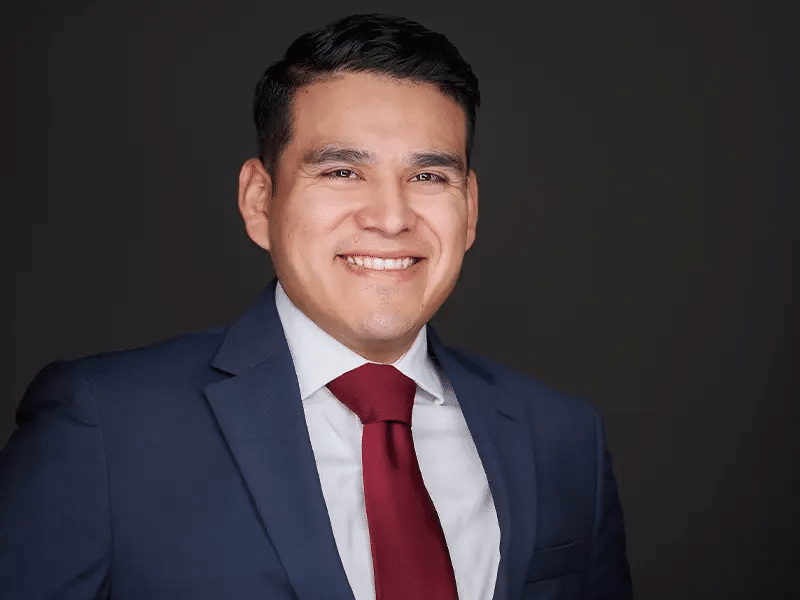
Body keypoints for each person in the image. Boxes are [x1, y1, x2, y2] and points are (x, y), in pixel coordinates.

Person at [0, 13, 632, 600]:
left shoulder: (561, 438)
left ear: (470, 208)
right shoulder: (105, 428)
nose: (391, 218)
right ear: (258, 201)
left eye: (429, 176)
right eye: (342, 172)